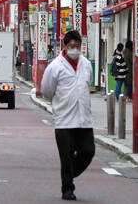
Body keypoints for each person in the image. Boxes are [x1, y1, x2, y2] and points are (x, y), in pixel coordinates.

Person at [41, 30, 95, 201]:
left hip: (84, 119)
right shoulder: (55, 67)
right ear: (64, 46)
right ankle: (67, 189)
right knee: (66, 156)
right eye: (71, 46)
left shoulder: (86, 64)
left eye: (77, 46)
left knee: (88, 151)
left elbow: (89, 82)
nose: (75, 49)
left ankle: (70, 173)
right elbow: (47, 91)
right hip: (64, 120)